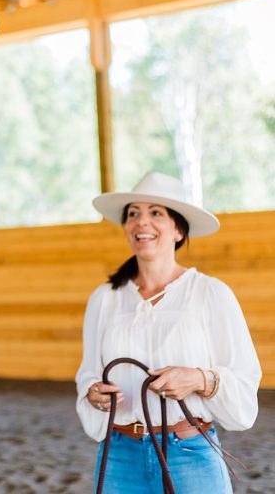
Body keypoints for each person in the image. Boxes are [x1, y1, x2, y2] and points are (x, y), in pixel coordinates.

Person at [76, 172, 261, 493]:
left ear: (178, 230)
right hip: (120, 454)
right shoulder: (104, 298)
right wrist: (94, 394)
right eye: (133, 214)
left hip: (191, 454)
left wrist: (200, 379)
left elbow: (244, 382)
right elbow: (88, 374)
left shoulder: (210, 293)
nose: (141, 222)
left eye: (156, 213)